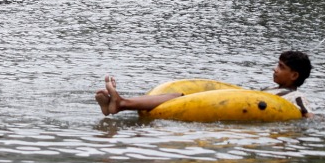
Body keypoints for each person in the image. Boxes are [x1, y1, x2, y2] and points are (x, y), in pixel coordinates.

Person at [94, 50, 313, 118]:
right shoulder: (269, 90)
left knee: (177, 98)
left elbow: (307, 116)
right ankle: (120, 104)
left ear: (294, 76)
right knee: (178, 96)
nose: (275, 69)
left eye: (281, 67)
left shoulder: (297, 98)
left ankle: (121, 104)